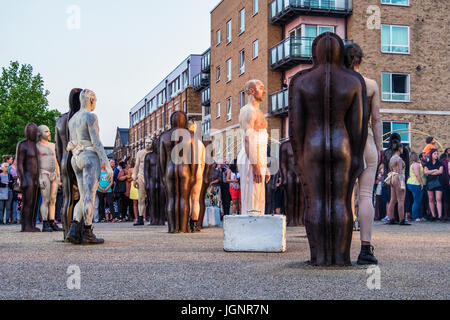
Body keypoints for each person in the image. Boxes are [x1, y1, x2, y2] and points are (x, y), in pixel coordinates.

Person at [345, 42, 382, 265]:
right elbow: (376, 119)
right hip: (366, 141)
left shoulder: (338, 85)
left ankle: (340, 247)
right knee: (365, 195)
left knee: (344, 196)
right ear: (360, 60)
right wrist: (379, 146)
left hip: (344, 144)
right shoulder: (371, 84)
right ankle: (366, 249)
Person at [66, 89, 112, 244]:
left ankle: (73, 229)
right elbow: (97, 142)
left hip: (76, 157)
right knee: (89, 196)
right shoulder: (90, 116)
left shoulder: (72, 119)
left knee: (82, 195)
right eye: (95, 101)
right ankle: (87, 231)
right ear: (91, 100)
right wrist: (107, 164)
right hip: (89, 156)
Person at [237, 79, 270, 216]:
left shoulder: (258, 111)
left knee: (259, 196)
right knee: (251, 196)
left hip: (258, 158)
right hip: (250, 158)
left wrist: (264, 166)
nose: (264, 91)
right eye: (261, 88)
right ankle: (249, 228)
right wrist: (255, 165)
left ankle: (257, 228)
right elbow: (248, 138)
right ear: (251, 91)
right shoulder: (248, 111)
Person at [36, 125, 63, 232]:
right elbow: (36, 163)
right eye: (46, 131)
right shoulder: (37, 146)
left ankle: (52, 221)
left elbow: (56, 161)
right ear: (40, 133)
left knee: (53, 199)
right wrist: (39, 176)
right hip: (43, 173)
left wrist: (59, 176)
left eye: (49, 131)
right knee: (45, 199)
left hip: (53, 174)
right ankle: (45, 221)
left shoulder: (53, 145)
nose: (49, 133)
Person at [386, 142, 410, 225]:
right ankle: (402, 220)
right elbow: (400, 172)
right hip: (398, 178)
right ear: (399, 148)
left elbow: (391, 169)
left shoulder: (392, 158)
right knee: (401, 200)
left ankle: (391, 219)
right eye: (402, 148)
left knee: (392, 200)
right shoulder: (399, 159)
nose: (403, 150)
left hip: (392, 177)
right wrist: (402, 183)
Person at [424, 149, 444, 222]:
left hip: (438, 182)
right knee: (431, 199)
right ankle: (433, 215)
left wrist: (430, 172)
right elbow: (426, 172)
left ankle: (439, 216)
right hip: (429, 182)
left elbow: (440, 171)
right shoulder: (427, 164)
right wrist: (434, 170)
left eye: (437, 154)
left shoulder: (440, 163)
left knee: (438, 199)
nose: (436, 155)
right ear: (431, 155)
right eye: (435, 154)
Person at [407, 152, 426, 222]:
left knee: (419, 201)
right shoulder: (416, 165)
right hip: (415, 184)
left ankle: (420, 216)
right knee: (417, 200)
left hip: (412, 183)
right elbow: (417, 175)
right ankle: (415, 216)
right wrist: (421, 184)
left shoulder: (413, 164)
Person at [129, 159, 139, 223]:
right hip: (133, 186)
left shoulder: (141, 169)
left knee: (142, 201)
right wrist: (133, 178)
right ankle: (136, 217)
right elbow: (128, 179)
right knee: (135, 203)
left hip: (140, 185)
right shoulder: (130, 170)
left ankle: (143, 217)